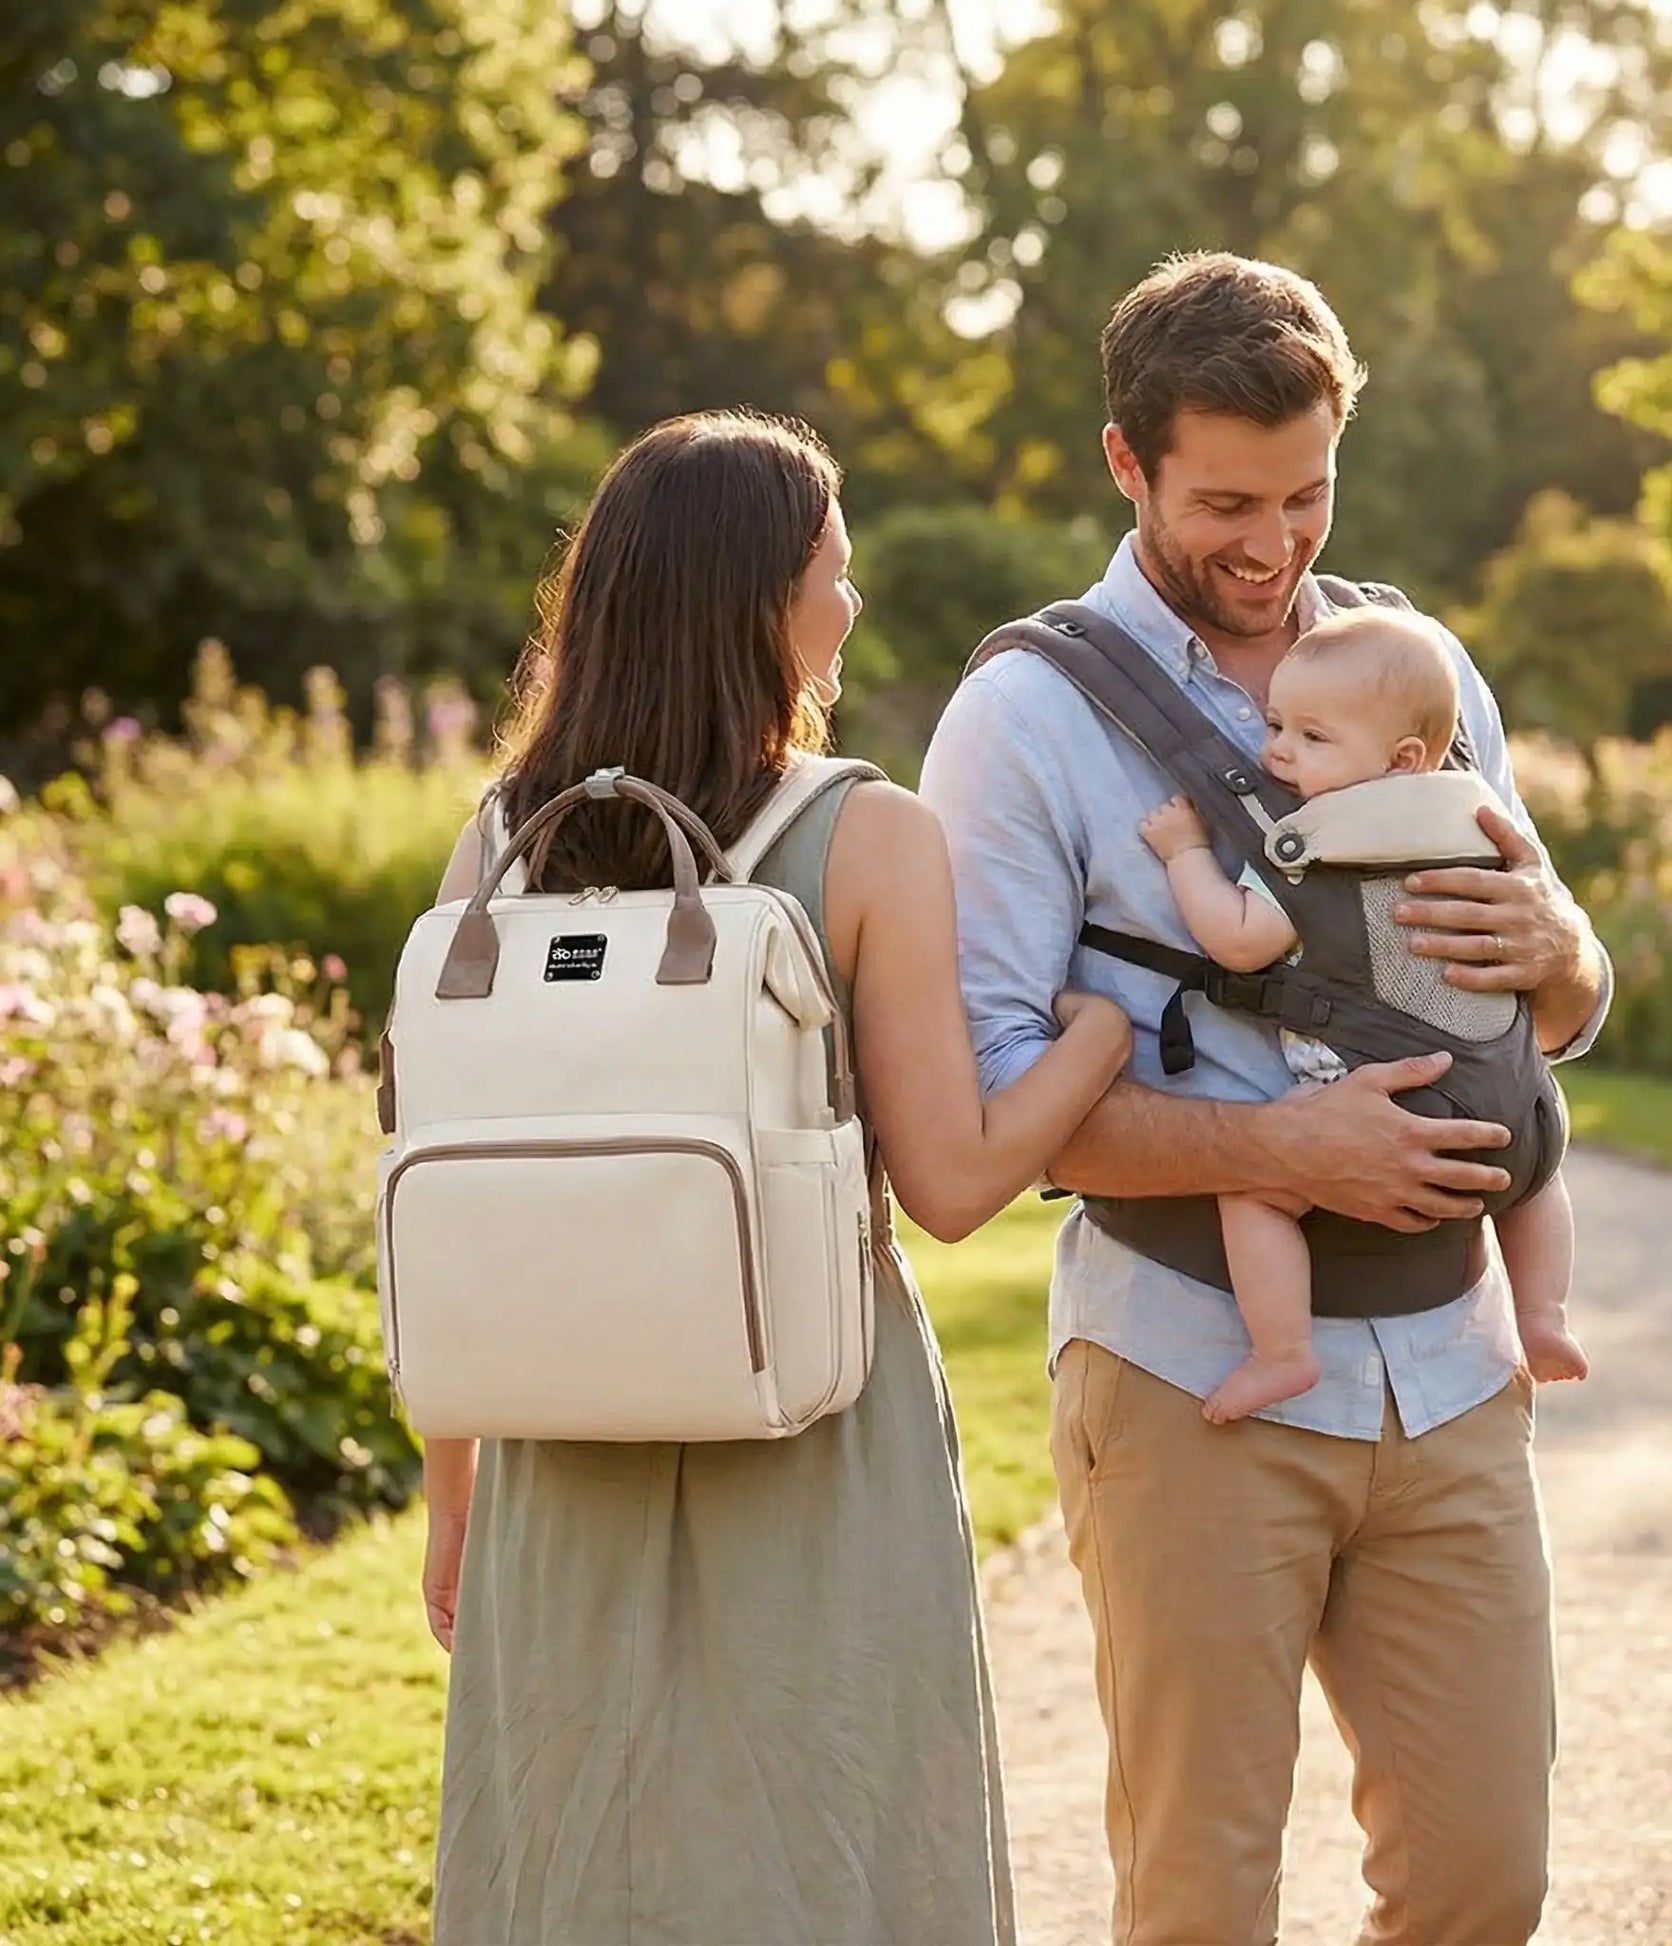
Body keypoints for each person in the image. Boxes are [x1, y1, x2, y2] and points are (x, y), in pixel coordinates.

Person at [920, 252, 1613, 1945]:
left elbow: (1556, 1005)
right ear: (1125, 463)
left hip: (1450, 1370)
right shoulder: (1020, 721)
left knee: (1482, 1881)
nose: (1272, 542)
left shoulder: (1415, 665)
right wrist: (1274, 1144)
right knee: (1202, 1899)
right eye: (1225, 498)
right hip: (1189, 1360)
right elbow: (979, 1095)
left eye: (1306, 494)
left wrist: (1567, 946)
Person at [420, 409, 1130, 1946]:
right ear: (759, 600)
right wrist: (1091, 1038)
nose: (850, 606)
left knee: (580, 1837)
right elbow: (947, 1181)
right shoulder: (863, 833)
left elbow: (457, 1186)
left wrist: (450, 1493)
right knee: (829, 1822)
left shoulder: (495, 846)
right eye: (834, 571)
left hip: (561, 1423)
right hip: (809, 1413)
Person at [1137, 606, 1586, 1426]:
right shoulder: (1477, 826)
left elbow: (1239, 941)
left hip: (1395, 1112)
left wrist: (1185, 854)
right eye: (1276, 724)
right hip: (1519, 1111)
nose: (1278, 752)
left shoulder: (1325, 847)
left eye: (1312, 739)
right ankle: (1543, 1315)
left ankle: (1282, 1354)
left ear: (1400, 758)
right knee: (1537, 1180)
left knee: (1255, 1193)